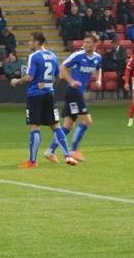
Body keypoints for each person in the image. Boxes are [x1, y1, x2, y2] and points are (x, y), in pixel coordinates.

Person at [10, 32, 77, 168]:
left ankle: (32, 161)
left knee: (35, 126)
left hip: (35, 95)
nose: (29, 43)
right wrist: (49, 86)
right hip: (49, 94)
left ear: (37, 42)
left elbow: (29, 77)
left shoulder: (34, 56)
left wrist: (17, 81)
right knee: (56, 126)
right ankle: (68, 156)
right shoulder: (53, 56)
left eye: (30, 41)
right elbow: (59, 76)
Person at [43, 34, 101, 163]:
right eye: (84, 42)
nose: (85, 44)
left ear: (95, 44)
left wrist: (98, 79)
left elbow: (99, 68)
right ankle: (74, 150)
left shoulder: (97, 58)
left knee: (68, 125)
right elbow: (62, 67)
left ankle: (50, 151)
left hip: (76, 93)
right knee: (87, 121)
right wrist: (71, 81)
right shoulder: (78, 55)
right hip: (74, 92)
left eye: (88, 42)